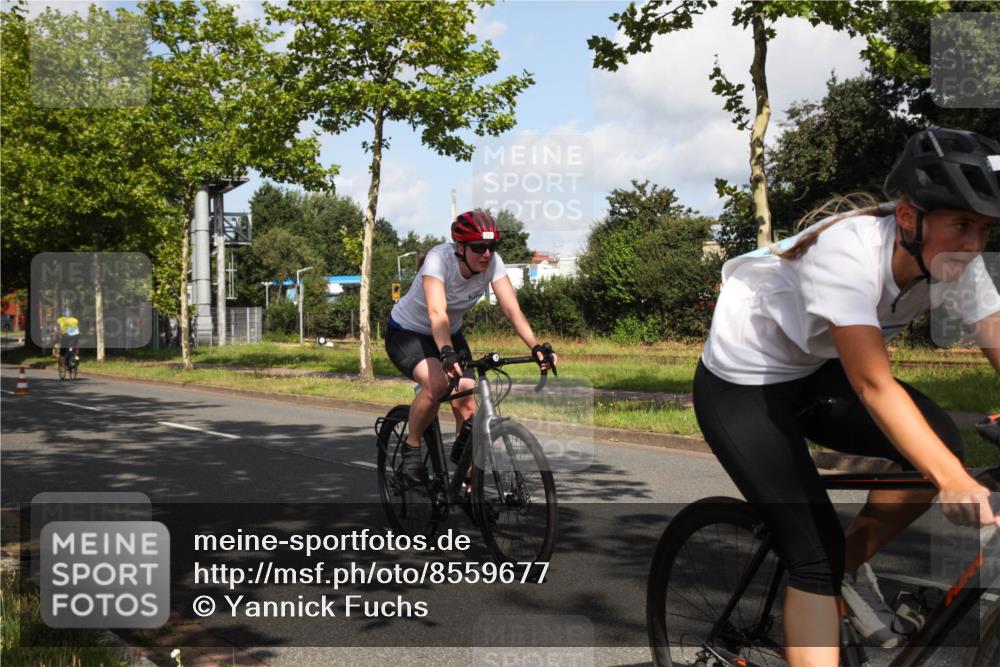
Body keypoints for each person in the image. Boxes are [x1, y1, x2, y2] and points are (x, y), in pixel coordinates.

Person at [694, 127, 1000, 665]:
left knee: (938, 446)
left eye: (985, 229)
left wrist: (946, 468)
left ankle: (849, 568)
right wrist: (952, 480)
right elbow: (873, 384)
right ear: (909, 218)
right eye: (960, 224)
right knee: (814, 557)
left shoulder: (956, 262)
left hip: (814, 368)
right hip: (743, 382)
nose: (974, 245)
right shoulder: (847, 251)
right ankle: (826, 573)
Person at [385, 210, 558, 487]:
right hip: (408, 333)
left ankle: (466, 486)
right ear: (460, 247)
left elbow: (511, 309)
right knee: (436, 386)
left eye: (491, 247)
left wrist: (536, 346)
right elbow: (437, 312)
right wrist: (445, 352)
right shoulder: (438, 259)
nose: (486, 254)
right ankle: (412, 447)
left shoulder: (492, 263)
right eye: (478, 247)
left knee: (467, 401)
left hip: (449, 334)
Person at [56, 308, 80, 374]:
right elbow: (78, 328)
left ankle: (64, 368)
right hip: (75, 336)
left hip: (66, 336)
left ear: (63, 314)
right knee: (74, 347)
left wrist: (57, 335)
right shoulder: (75, 320)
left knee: (62, 353)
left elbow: (58, 329)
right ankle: (76, 356)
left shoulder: (60, 319)